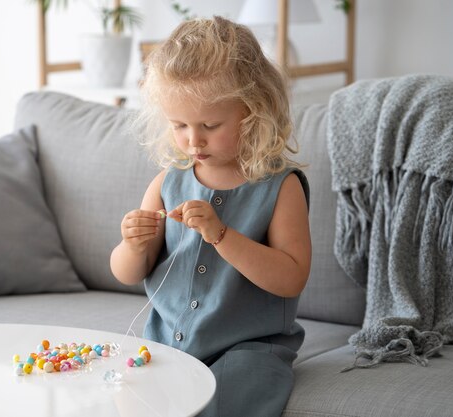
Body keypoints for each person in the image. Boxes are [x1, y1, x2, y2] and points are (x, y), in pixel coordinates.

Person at [109, 16, 311, 417]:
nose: (192, 140)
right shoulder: (169, 181)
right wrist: (132, 244)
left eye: (210, 125)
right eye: (179, 125)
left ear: (254, 111)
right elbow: (128, 272)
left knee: (225, 403)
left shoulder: (279, 186)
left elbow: (291, 278)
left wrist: (221, 235)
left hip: (248, 351)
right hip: (166, 346)